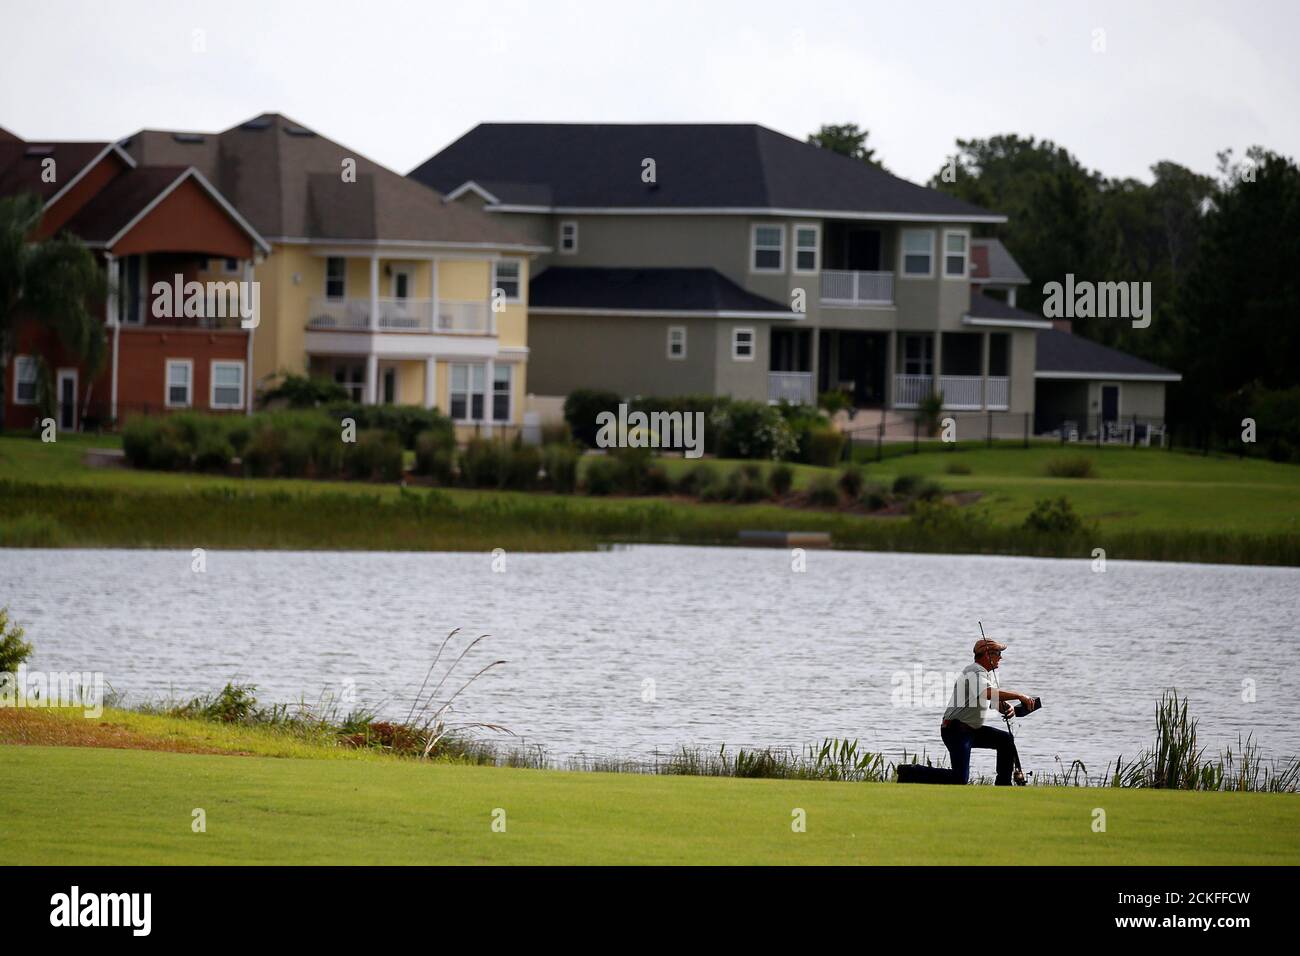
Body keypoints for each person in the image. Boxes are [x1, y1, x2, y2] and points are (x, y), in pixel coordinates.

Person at [939, 637, 1037, 785]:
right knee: (959, 779)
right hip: (956, 731)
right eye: (998, 653)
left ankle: (1003, 785)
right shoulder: (975, 671)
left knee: (1005, 740)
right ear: (987, 655)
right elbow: (986, 692)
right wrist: (1019, 696)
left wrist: (1002, 706)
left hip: (970, 730)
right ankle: (910, 772)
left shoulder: (982, 673)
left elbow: (987, 697)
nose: (1001, 657)